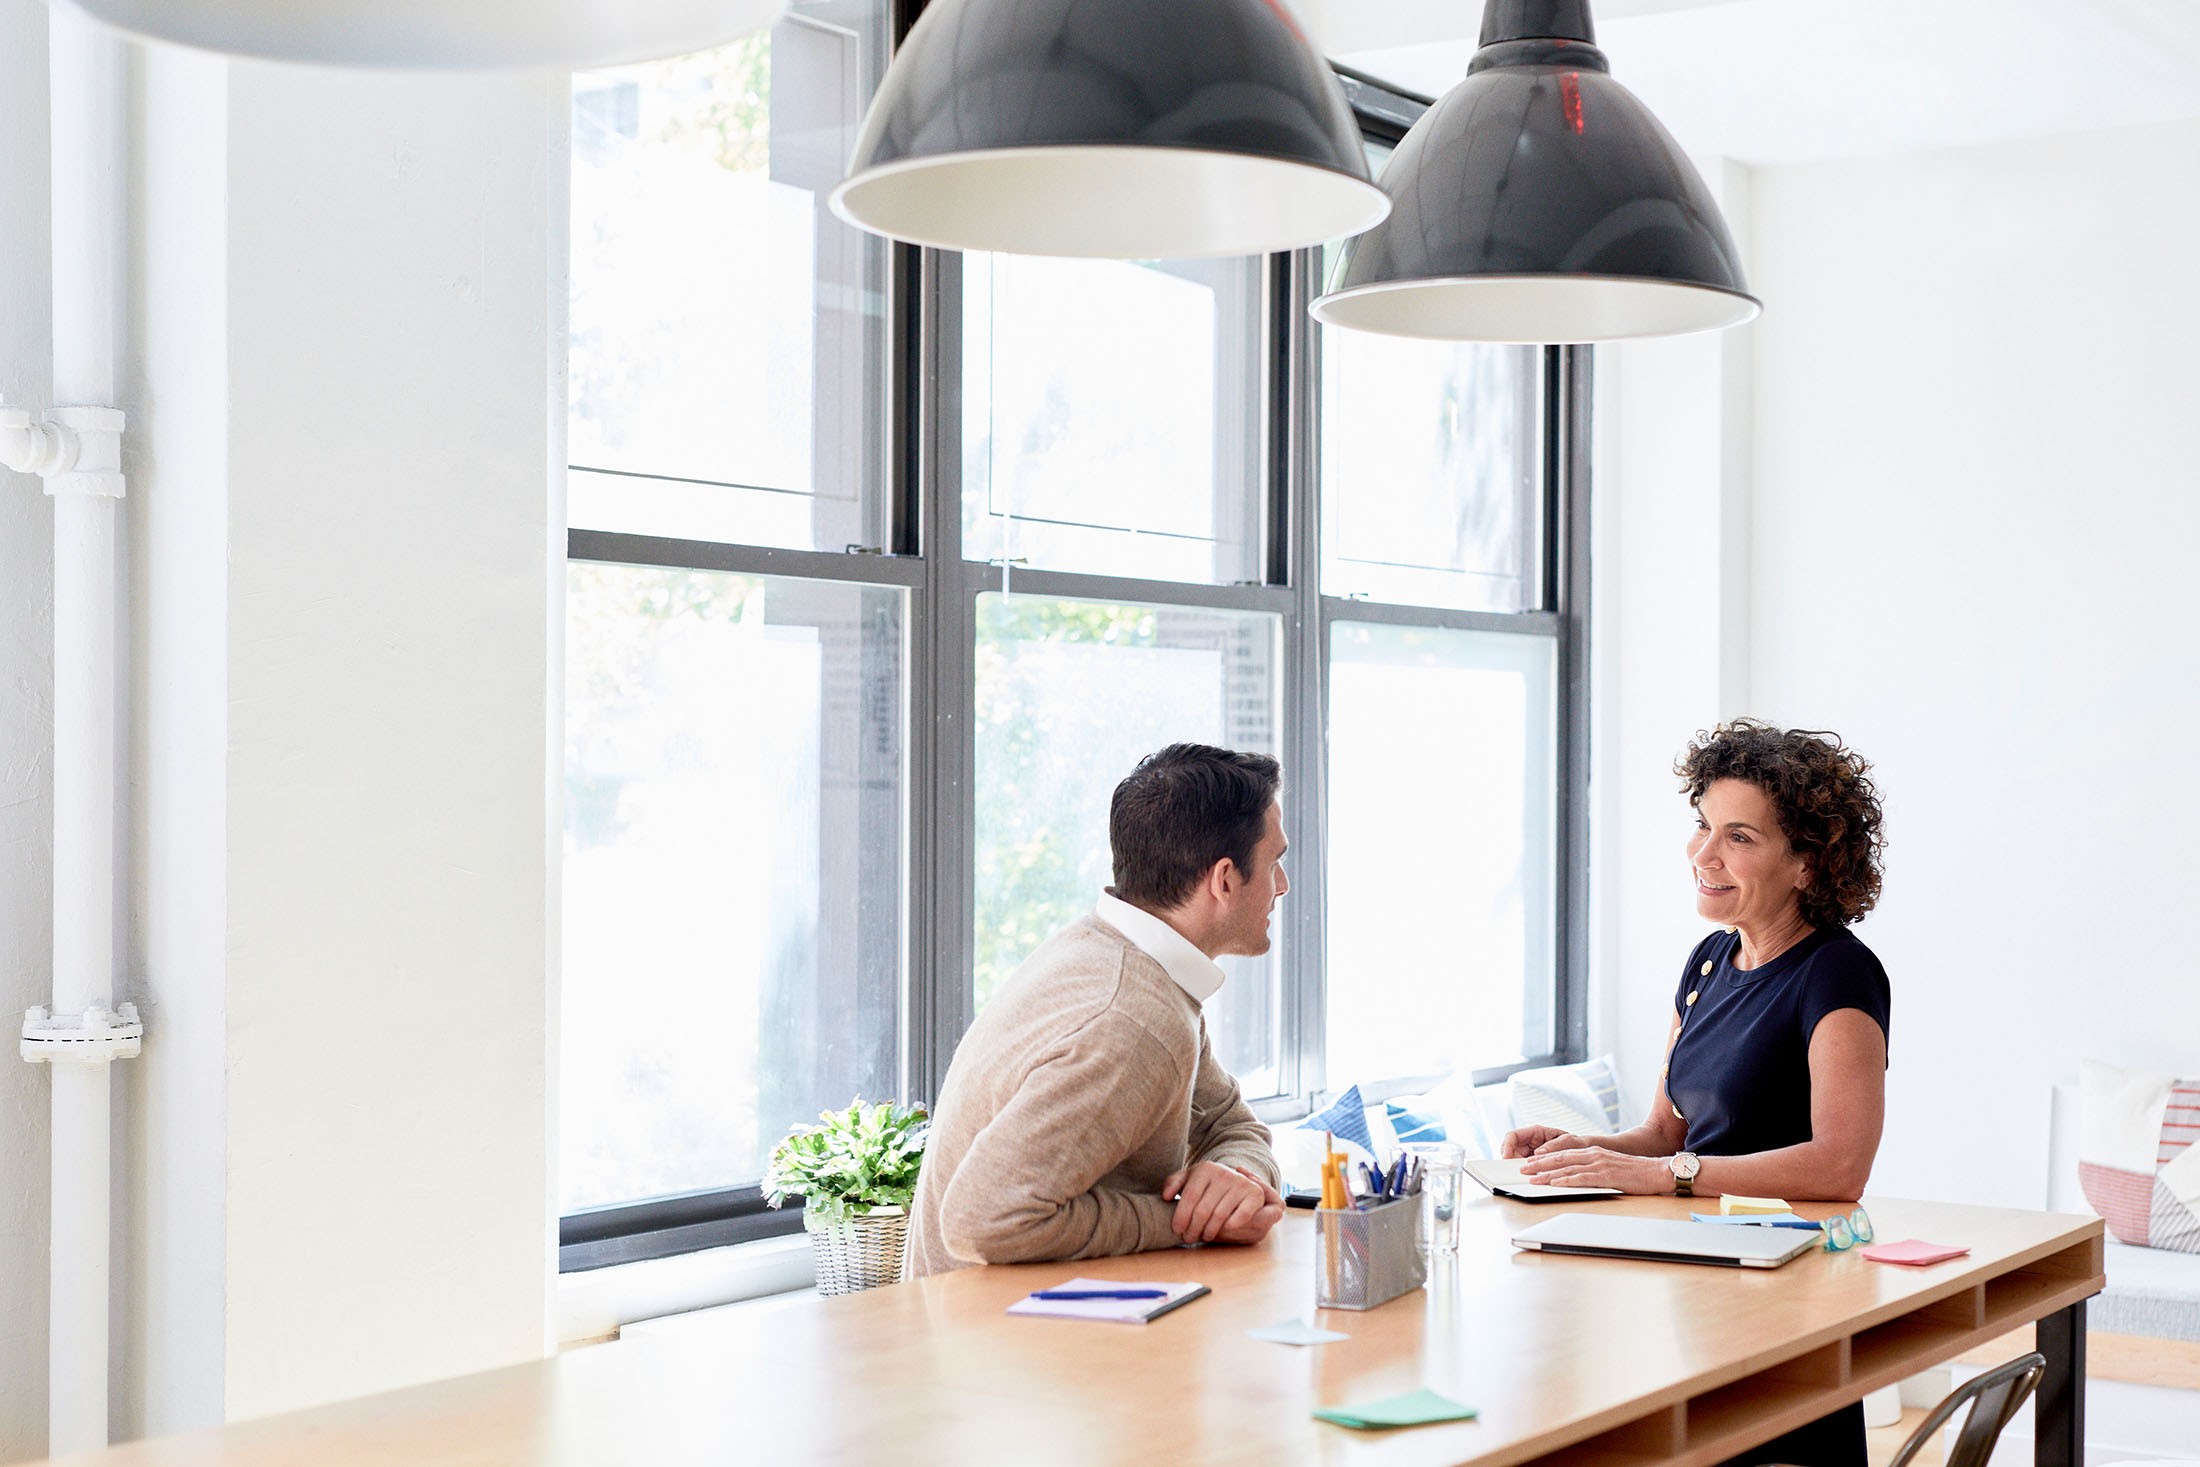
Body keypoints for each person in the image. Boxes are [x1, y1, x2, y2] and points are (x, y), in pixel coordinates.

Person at [1504, 718, 1890, 1467]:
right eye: (1703, 826)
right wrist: (1583, 1148)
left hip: (1785, 1284)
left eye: (1739, 836)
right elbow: (1666, 1131)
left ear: (1808, 862)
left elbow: (1842, 1165)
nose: (1703, 854)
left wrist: (1663, 1176)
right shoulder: (1711, 960)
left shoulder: (1838, 972)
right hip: (1700, 1265)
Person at [908, 742, 1290, 1277]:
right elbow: (980, 1220)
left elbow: (1232, 1125)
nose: (1282, 886)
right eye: (1275, 863)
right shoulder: (1131, 1020)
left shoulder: (1127, 959)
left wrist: (1236, 1177)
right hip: (991, 1347)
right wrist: (1183, 1221)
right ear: (1224, 880)